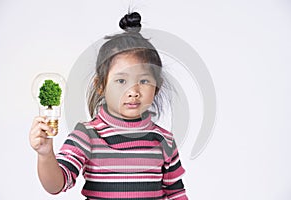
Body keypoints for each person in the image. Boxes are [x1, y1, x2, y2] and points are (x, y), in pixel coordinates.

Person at [30, 11, 188, 200]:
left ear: (157, 87)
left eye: (144, 81)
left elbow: (176, 194)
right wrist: (46, 154)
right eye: (121, 81)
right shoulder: (87, 135)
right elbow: (57, 184)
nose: (133, 91)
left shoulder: (165, 141)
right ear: (100, 86)